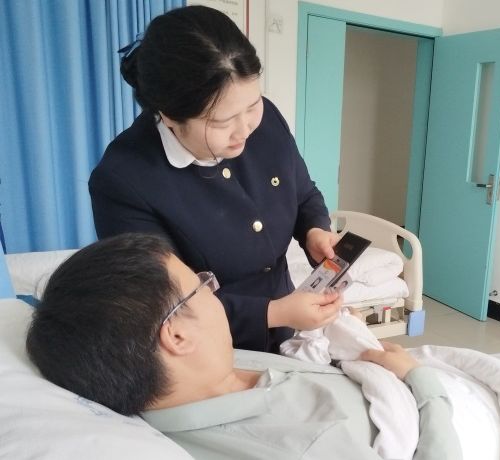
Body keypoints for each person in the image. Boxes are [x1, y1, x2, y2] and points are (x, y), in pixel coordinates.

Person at [25, 233, 462, 460]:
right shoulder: (305, 445)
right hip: (439, 410)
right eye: (201, 286)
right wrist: (421, 382)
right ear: (176, 336)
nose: (213, 294)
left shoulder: (208, 370)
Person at [88, 5, 339, 354]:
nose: (245, 129)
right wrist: (275, 312)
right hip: (204, 352)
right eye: (222, 122)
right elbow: (167, 302)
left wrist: (315, 231)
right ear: (170, 116)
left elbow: (303, 193)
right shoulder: (124, 180)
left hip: (286, 336)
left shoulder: (266, 121)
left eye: (252, 105)